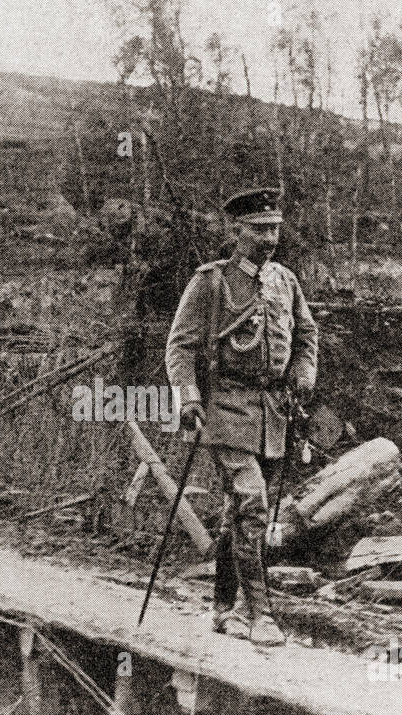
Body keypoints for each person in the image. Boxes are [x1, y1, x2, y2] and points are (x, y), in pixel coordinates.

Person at [164, 187, 318, 647]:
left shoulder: (285, 282)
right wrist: (188, 397)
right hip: (227, 409)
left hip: (274, 413)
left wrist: (303, 371)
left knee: (241, 512)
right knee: (253, 503)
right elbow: (180, 346)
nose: (269, 238)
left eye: (274, 229)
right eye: (258, 230)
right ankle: (260, 614)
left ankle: (221, 607)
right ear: (236, 231)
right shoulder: (211, 283)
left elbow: (307, 332)